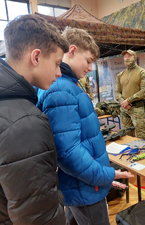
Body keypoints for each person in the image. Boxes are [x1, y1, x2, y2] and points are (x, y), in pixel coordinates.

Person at [37, 27, 133, 225]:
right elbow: (68, 152)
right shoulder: (61, 89)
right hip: (86, 186)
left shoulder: (69, 83)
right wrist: (105, 175)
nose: (90, 68)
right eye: (88, 61)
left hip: (82, 185)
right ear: (71, 51)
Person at [0, 14, 69, 224]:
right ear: (36, 57)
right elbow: (38, 217)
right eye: (57, 63)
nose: (59, 73)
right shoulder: (25, 121)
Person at [115, 50, 145, 141]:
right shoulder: (120, 75)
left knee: (141, 135)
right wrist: (123, 102)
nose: (126, 58)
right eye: (125, 57)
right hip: (124, 109)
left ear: (134, 57)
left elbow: (144, 91)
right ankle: (132, 152)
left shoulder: (142, 73)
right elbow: (117, 92)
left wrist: (128, 101)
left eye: (129, 56)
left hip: (138, 109)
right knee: (127, 135)